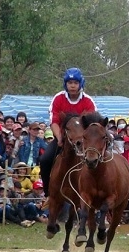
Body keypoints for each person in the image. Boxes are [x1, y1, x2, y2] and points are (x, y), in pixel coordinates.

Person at [39, 67, 97, 198]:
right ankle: (48, 193)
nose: (72, 86)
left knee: (97, 161)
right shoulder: (58, 98)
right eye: (70, 83)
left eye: (75, 83)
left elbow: (92, 123)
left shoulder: (88, 101)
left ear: (80, 84)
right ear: (65, 84)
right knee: (45, 159)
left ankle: (95, 194)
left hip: (83, 141)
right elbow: (54, 121)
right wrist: (59, 138)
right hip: (63, 139)